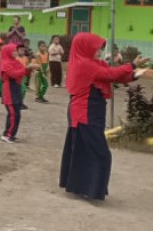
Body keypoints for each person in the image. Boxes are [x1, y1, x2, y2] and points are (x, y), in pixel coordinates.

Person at [59, 32, 148, 200]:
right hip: (84, 112)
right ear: (86, 48)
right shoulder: (84, 64)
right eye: (96, 48)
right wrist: (131, 65)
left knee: (84, 151)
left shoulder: (93, 63)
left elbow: (113, 75)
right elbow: (110, 75)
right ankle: (89, 189)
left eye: (100, 48)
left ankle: (82, 187)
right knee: (100, 153)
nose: (99, 51)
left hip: (92, 111)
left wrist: (135, 73)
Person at [0, 44, 38, 143]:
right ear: (8, 52)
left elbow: (22, 71)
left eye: (15, 50)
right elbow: (14, 74)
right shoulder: (6, 63)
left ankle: (9, 133)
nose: (15, 52)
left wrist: (29, 69)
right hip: (9, 91)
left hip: (16, 89)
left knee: (16, 113)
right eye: (13, 51)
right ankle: (9, 135)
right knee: (13, 114)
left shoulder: (15, 61)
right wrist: (26, 68)